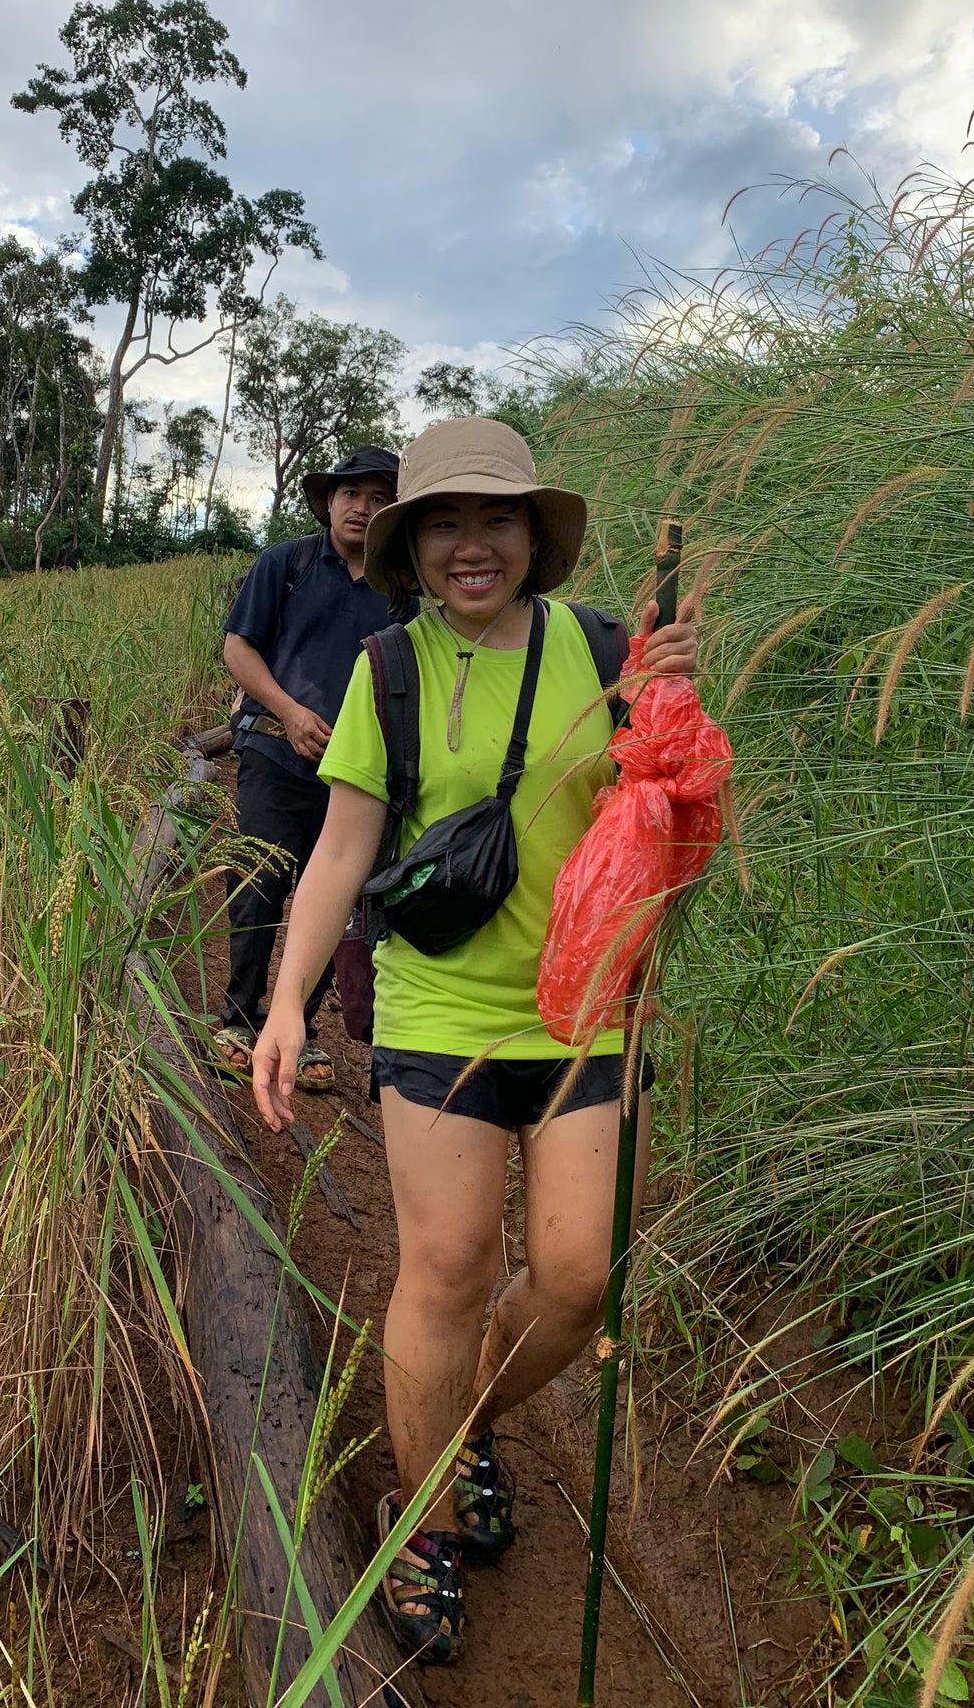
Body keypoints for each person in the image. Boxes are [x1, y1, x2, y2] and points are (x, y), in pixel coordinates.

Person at [247, 416, 698, 1664]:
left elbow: (672, 819)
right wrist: (285, 1004)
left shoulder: (608, 651)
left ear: (531, 536)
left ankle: (459, 1424)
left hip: (585, 1007)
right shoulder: (384, 671)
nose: (469, 545)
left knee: (572, 1278)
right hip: (440, 1006)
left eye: (494, 518)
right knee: (446, 1266)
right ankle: (425, 1519)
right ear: (412, 544)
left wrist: (671, 719)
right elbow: (341, 847)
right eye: (443, 521)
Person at [216, 445, 402, 1090]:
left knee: (335, 895)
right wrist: (290, 713)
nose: (362, 508)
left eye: (380, 500)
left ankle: (302, 1025)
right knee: (260, 882)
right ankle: (239, 1017)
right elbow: (238, 647)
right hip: (273, 748)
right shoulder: (287, 563)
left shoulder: (400, 586)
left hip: (356, 773)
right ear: (328, 501)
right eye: (352, 494)